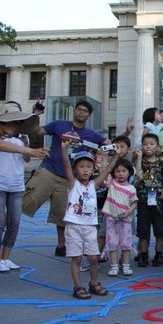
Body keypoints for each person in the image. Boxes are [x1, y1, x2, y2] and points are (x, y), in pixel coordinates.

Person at [0, 102, 48, 297]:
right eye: (13, 122)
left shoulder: (11, 137)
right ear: (1, 120)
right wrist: (30, 151)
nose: (16, 127)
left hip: (11, 186)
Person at [22, 100, 113, 257]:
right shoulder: (59, 124)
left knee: (62, 214)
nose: (81, 112)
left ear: (88, 115)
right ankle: (7, 220)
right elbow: (37, 131)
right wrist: (35, 115)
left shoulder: (90, 134)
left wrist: (122, 138)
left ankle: (61, 246)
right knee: (27, 200)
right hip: (48, 170)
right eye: (79, 109)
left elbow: (109, 143)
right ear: (75, 111)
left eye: (84, 111)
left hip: (68, 178)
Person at [60, 143, 117, 300]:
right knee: (76, 258)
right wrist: (64, 149)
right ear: (75, 170)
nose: (85, 169)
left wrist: (116, 156)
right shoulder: (73, 184)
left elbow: (106, 172)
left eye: (88, 166)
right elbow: (65, 164)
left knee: (93, 257)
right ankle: (78, 286)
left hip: (90, 226)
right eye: (81, 166)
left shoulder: (93, 185)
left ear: (93, 169)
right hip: (74, 226)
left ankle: (93, 283)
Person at [0, 131, 31, 273]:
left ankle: (6, 258)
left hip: (16, 185)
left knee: (14, 222)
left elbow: (27, 159)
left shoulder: (23, 137)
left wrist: (26, 144)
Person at [134, 133, 163, 267]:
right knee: (143, 228)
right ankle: (143, 254)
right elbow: (138, 173)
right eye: (145, 144)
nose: (148, 146)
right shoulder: (141, 162)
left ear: (157, 147)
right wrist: (138, 158)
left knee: (159, 228)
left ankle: (159, 252)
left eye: (151, 144)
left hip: (158, 200)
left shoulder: (161, 163)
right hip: (143, 200)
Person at [100, 158, 138, 277]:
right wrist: (103, 159)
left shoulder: (131, 188)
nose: (121, 173)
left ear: (129, 173)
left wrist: (128, 212)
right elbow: (103, 173)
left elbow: (134, 203)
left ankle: (126, 265)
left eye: (124, 171)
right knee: (112, 243)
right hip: (112, 220)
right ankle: (114, 266)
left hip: (125, 221)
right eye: (118, 171)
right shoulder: (112, 184)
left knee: (126, 244)